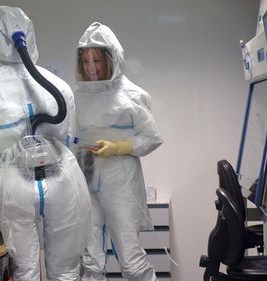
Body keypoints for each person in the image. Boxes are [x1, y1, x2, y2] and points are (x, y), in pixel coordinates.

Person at [0, 6, 91, 280]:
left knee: (24, 270)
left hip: (16, 181)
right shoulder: (59, 85)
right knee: (65, 270)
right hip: (62, 179)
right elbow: (66, 133)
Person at [74, 22, 164, 281]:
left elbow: (151, 138)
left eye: (97, 60)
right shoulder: (78, 97)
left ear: (111, 59)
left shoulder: (132, 95)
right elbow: (70, 136)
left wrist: (120, 147)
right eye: (86, 60)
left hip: (120, 183)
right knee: (90, 261)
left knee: (132, 261)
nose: (91, 68)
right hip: (86, 180)